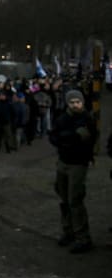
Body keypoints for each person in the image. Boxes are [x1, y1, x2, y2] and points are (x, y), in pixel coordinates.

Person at [49, 89, 98, 254]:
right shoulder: (63, 119)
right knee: (64, 199)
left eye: (78, 102)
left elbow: (88, 139)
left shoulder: (87, 119)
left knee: (75, 200)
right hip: (63, 162)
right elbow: (54, 137)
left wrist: (67, 138)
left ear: (82, 102)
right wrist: (71, 137)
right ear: (68, 103)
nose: (76, 105)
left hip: (78, 163)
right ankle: (68, 231)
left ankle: (83, 237)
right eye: (72, 102)